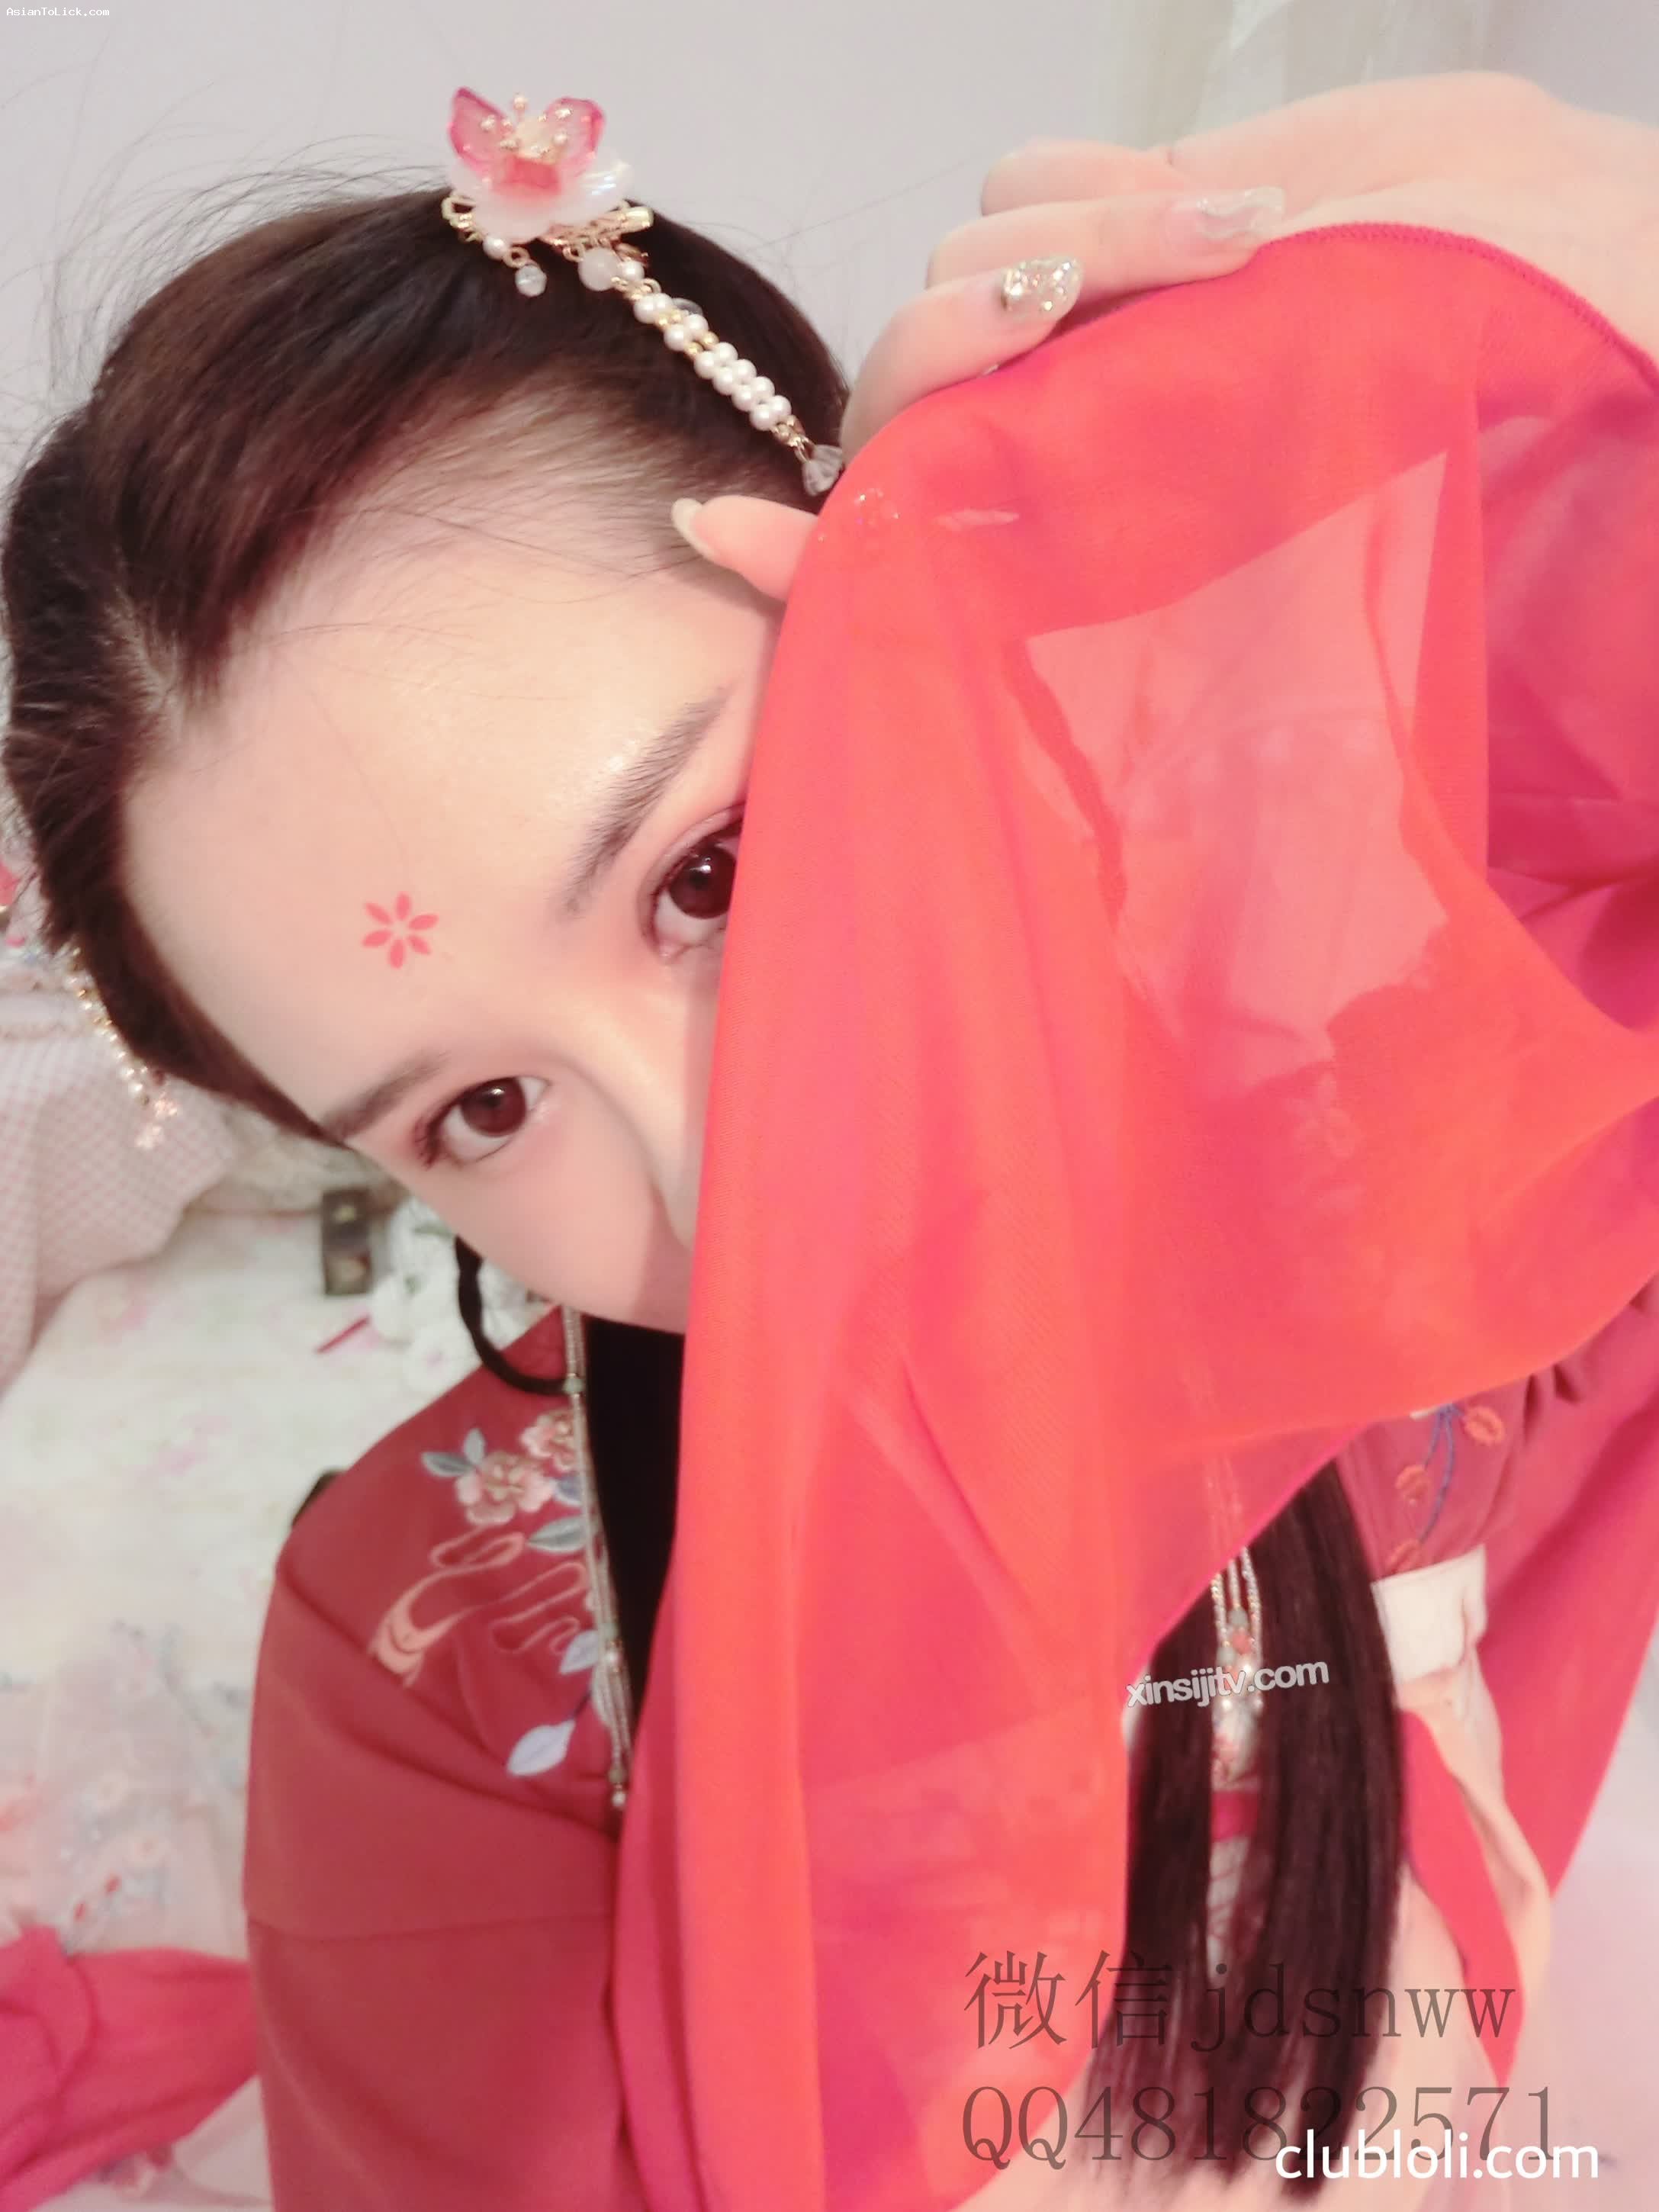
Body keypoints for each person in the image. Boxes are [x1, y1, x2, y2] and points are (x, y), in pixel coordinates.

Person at [5, 67, 1659, 2211]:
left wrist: (1590, 253)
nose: (723, 1166)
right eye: (482, 1109)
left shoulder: (1408, 1198)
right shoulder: (440, 1671)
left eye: (711, 872)